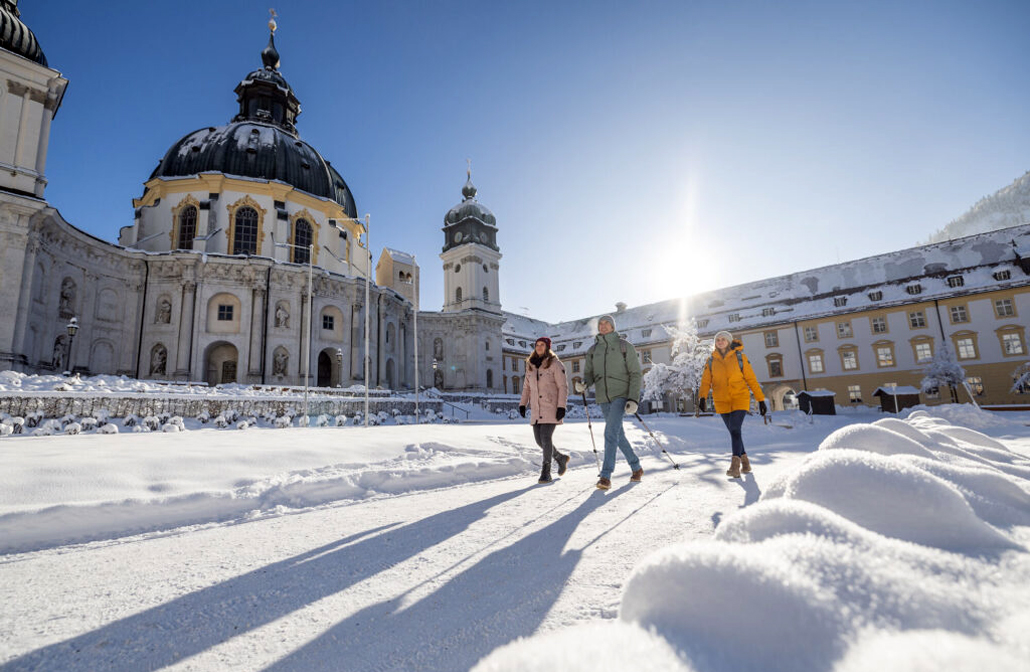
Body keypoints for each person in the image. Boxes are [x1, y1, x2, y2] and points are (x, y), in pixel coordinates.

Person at [573, 315, 643, 490]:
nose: (603, 326)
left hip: (621, 394)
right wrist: (584, 384)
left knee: (610, 433)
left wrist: (633, 398)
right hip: (603, 396)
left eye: (607, 324)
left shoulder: (624, 347)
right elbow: (589, 374)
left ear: (613, 327)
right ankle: (636, 467)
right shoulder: (593, 350)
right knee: (618, 435)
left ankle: (605, 476)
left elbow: (635, 373)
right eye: (601, 324)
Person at [698, 330, 767, 478]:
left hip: (740, 398)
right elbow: (705, 381)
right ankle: (746, 463)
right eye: (718, 340)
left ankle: (735, 466)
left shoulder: (740, 357)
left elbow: (751, 379)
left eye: (723, 339)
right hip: (721, 401)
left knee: (735, 429)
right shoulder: (711, 360)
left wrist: (761, 399)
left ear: (729, 341)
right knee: (734, 432)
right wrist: (702, 397)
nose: (720, 341)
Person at [519, 337, 571, 483]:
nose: (539, 347)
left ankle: (546, 472)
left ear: (547, 347)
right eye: (537, 345)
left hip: (551, 407)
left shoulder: (555, 364)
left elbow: (563, 387)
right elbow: (526, 387)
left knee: (546, 438)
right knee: (539, 440)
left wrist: (561, 406)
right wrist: (523, 404)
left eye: (542, 345)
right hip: (536, 409)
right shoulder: (530, 365)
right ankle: (560, 458)